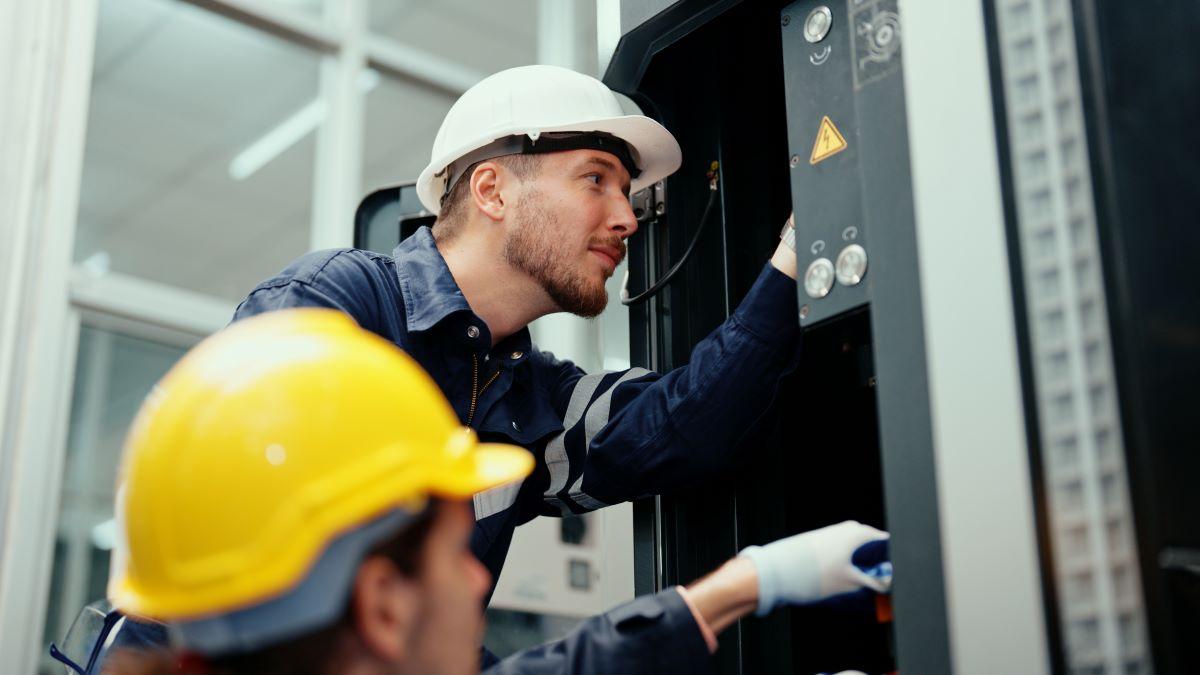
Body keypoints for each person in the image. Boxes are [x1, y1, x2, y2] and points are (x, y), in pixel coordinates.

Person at [229, 65, 808, 662]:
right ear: (492, 190)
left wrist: (796, 258)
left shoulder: (528, 396)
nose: (628, 219)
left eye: (627, 192)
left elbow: (684, 424)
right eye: (595, 180)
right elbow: (297, 612)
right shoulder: (336, 307)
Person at [79, 309, 889, 675]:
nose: (478, 573)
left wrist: (753, 581)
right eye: (450, 551)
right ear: (384, 605)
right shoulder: (343, 297)